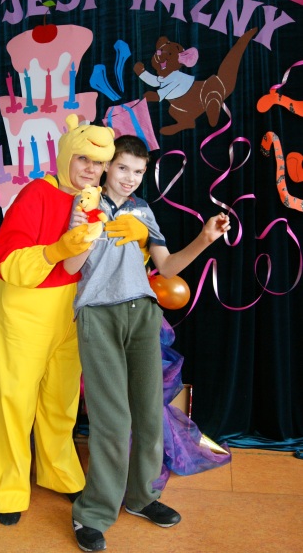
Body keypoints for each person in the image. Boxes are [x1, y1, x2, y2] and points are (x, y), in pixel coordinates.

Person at [64, 135, 231, 551]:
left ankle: (141, 498)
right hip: (98, 313)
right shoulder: (84, 202)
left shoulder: (143, 210)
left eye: (138, 172)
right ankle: (92, 514)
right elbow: (70, 266)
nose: (130, 178)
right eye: (123, 168)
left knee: (149, 414)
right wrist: (88, 228)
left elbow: (168, 266)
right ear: (107, 166)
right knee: (113, 421)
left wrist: (205, 238)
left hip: (142, 313)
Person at [0, 114, 148, 527]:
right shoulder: (37, 192)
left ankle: (58, 471)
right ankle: (9, 489)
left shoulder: (97, 204)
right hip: (23, 308)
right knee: (13, 400)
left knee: (61, 399)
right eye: (83, 159)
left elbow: (110, 263)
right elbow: (5, 256)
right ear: (66, 157)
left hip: (72, 310)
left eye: (99, 163)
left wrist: (141, 239)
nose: (91, 169)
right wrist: (56, 250)